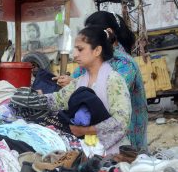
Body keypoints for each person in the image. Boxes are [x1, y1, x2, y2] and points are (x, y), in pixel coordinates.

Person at [53, 11, 148, 150]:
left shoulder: (125, 64)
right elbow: (74, 88)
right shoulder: (86, 63)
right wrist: (69, 84)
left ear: (106, 33)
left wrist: (76, 88)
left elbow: (107, 98)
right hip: (93, 141)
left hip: (124, 138)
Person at [45, 26, 131, 155]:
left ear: (97, 50)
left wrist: (84, 131)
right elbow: (57, 100)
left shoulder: (114, 80)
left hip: (113, 154)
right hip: (87, 152)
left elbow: (121, 122)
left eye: (80, 49)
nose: (74, 55)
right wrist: (34, 98)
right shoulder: (78, 82)